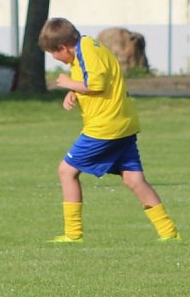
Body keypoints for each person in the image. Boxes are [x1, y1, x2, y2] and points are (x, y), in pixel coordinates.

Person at [38, 18, 180, 243]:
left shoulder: (86, 51)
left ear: (63, 47)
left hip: (105, 127)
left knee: (67, 171)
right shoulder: (87, 47)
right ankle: (169, 232)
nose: (56, 59)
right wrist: (74, 91)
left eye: (53, 54)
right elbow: (96, 77)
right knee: (134, 179)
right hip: (122, 124)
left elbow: (96, 84)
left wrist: (68, 83)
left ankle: (73, 234)